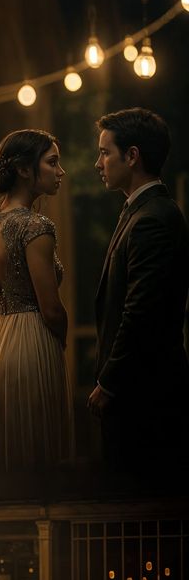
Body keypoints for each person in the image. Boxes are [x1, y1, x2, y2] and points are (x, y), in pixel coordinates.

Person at [89, 108, 189, 479]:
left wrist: (109, 382)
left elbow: (140, 311)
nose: (99, 163)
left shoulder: (153, 219)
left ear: (132, 156)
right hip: (139, 391)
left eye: (105, 152)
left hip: (146, 394)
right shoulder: (141, 212)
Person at [0, 131, 73, 470]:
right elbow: (51, 308)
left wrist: (9, 331)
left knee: (3, 466)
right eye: (52, 162)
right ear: (26, 170)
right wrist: (60, 339)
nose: (61, 172)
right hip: (33, 346)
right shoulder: (35, 227)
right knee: (39, 464)